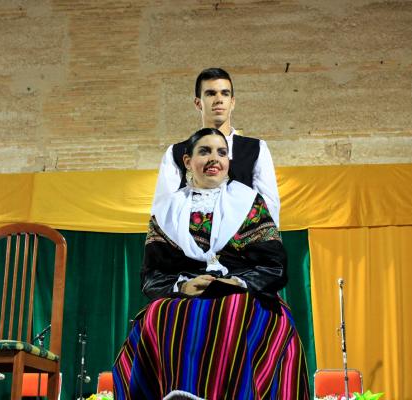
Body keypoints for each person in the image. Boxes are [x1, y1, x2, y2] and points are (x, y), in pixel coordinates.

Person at [113, 128, 310, 399]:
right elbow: (152, 275)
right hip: (184, 295)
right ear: (187, 162)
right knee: (160, 312)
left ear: (229, 161)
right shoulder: (167, 211)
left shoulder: (250, 204)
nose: (214, 159)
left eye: (221, 152)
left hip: (243, 295)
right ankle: (176, 394)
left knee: (233, 310)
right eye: (204, 151)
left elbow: (274, 267)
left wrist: (235, 283)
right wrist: (183, 286)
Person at [152, 67, 281, 226]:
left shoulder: (256, 148)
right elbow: (163, 211)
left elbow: (270, 209)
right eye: (211, 93)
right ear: (198, 103)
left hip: (243, 246)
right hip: (190, 245)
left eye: (225, 93)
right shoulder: (176, 152)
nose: (219, 99)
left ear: (232, 102)